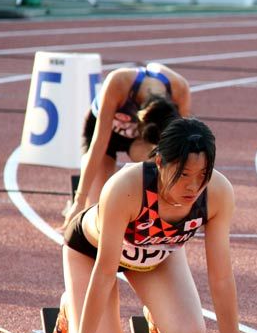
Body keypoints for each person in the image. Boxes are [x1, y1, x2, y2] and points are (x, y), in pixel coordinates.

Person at [47, 118, 257, 333]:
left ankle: (156, 326)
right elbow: (106, 272)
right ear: (160, 163)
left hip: (158, 253)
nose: (193, 186)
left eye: (203, 174)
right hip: (93, 255)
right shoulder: (126, 188)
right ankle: (70, 310)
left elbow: (222, 278)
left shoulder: (217, 194)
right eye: (184, 174)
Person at [61, 62, 190, 230]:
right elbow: (99, 144)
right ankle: (75, 200)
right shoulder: (118, 82)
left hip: (138, 139)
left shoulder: (180, 89)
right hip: (105, 134)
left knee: (160, 164)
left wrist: (188, 204)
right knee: (95, 210)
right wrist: (79, 201)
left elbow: (182, 147)